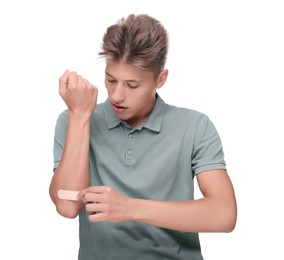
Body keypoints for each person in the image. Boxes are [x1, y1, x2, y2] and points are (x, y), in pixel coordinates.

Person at [49, 14, 237, 260]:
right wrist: (80, 115)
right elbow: (67, 205)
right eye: (111, 79)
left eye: (132, 85)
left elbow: (223, 214)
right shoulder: (74, 119)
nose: (117, 95)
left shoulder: (195, 126)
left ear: (160, 79)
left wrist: (129, 208)